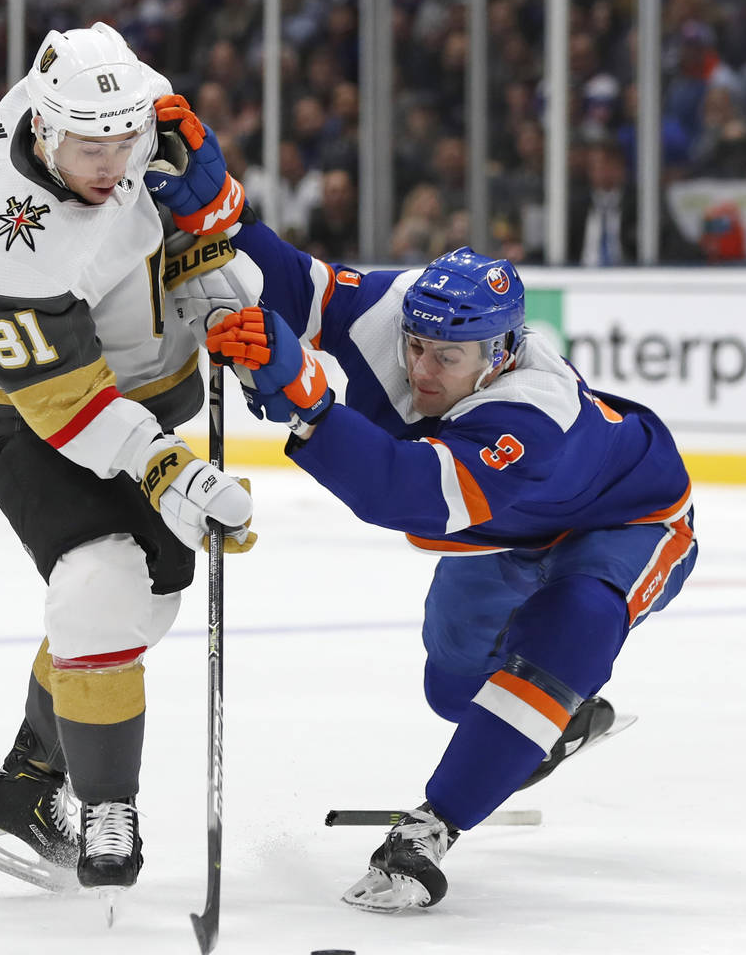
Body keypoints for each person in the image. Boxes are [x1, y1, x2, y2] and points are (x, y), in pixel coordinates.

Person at [178, 161, 697, 912]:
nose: (420, 369)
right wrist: (210, 204)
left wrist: (308, 401)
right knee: (452, 687)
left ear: (503, 352)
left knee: (574, 624)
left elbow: (404, 492)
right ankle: (556, 720)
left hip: (628, 518)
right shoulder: (405, 312)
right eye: (415, 346)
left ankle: (431, 831)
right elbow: (295, 281)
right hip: (506, 531)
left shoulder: (533, 417)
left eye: (446, 358)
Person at [0, 23, 258, 897]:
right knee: (98, 589)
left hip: (134, 382)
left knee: (138, 603)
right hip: (28, 414)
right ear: (42, 133)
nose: (114, 162)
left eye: (127, 140)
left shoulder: (119, 103)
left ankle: (26, 785)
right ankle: (105, 803)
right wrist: (168, 471)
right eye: (91, 147)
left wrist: (204, 259)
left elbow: (187, 198)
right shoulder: (12, 242)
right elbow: (63, 402)